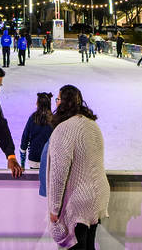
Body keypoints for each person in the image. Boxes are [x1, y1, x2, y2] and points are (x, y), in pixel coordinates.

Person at [46, 85, 109, 249]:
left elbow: (58, 175)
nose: (56, 103)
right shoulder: (92, 125)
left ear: (63, 103)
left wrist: (54, 209)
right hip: (97, 197)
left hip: (78, 201)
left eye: (58, 99)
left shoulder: (64, 130)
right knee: (89, 246)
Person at [20, 92, 54, 170]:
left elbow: (24, 139)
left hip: (34, 159)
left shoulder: (32, 118)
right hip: (50, 160)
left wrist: (22, 164)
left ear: (37, 103)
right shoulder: (54, 120)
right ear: (49, 104)